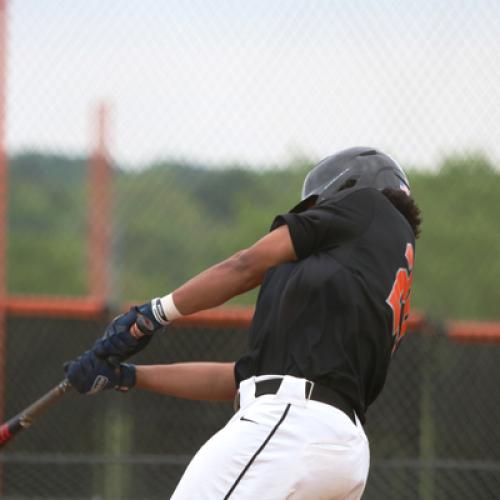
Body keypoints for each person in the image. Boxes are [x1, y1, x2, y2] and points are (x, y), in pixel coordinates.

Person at [66, 146, 422, 499]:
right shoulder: (362, 279)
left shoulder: (369, 206)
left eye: (315, 207)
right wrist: (130, 375)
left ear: (345, 189)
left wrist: (152, 315)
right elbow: (241, 379)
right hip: (339, 453)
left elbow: (245, 264)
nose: (310, 217)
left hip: (291, 429)